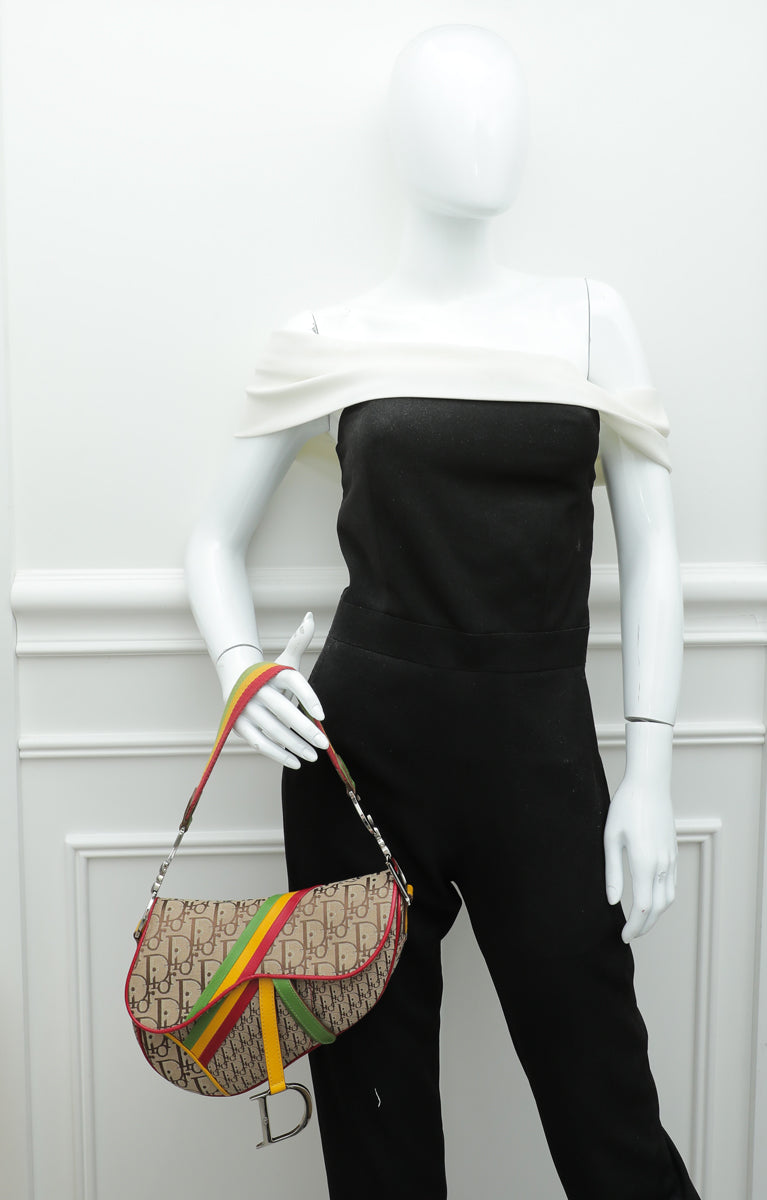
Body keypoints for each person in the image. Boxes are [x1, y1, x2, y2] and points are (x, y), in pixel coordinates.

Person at [185, 23, 700, 1200]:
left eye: (501, 105)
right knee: (374, 1136)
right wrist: (240, 669)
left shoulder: (589, 318)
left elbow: (653, 546)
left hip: (539, 753)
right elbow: (209, 539)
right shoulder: (327, 338)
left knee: (607, 1120)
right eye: (453, 107)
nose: (485, 131)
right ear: (400, 139)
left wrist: (652, 770)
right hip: (355, 762)